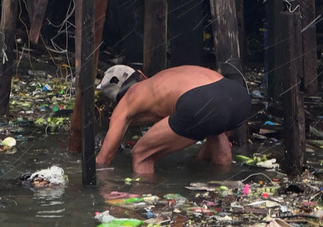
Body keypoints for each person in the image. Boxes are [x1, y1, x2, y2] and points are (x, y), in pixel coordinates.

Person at [95, 64, 252, 175]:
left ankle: (144, 204)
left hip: (200, 100)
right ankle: (223, 183)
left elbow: (105, 157)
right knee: (215, 132)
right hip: (238, 95)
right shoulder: (166, 76)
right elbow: (210, 103)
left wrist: (98, 178)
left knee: (142, 153)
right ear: (142, 75)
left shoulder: (127, 100)